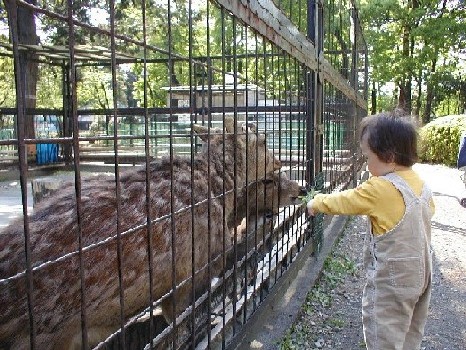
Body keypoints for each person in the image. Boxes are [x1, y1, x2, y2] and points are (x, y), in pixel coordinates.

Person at [307, 112, 435, 350]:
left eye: (368, 157)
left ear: (389, 157)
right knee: (410, 330)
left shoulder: (380, 187)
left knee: (383, 331)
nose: (366, 164)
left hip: (393, 278)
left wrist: (317, 202)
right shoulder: (420, 183)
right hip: (422, 274)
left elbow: (347, 200)